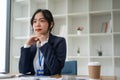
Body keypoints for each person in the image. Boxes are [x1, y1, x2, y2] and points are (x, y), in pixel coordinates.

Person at [19, 9, 66, 76]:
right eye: (34, 21)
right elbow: (23, 70)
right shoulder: (32, 44)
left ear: (51, 24)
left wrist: (44, 44)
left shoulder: (59, 42)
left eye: (42, 21)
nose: (37, 24)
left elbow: (55, 70)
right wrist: (27, 46)